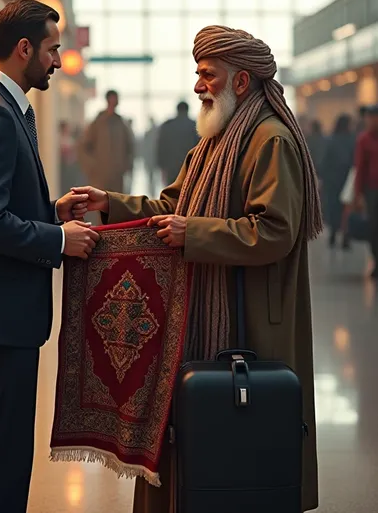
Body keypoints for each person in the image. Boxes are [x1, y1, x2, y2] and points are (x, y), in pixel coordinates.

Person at [71, 25, 322, 512]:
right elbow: (171, 204)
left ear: (242, 82)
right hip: (206, 305)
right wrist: (111, 204)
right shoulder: (213, 141)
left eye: (207, 75)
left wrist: (196, 235)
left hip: (251, 316)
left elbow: (275, 231)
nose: (197, 86)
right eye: (198, 74)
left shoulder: (269, 140)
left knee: (244, 449)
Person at [0, 0, 99, 513]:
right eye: (52, 50)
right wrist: (59, 240)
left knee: (4, 454)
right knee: (4, 460)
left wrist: (50, 212)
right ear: (24, 48)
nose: (57, 60)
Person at [78, 90, 134, 193]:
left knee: (116, 204)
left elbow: (129, 147)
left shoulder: (121, 124)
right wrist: (91, 166)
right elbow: (85, 146)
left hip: (117, 174)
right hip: (100, 174)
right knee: (101, 203)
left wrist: (126, 166)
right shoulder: (98, 123)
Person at [322, 114, 355, 248]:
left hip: (332, 181)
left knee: (333, 207)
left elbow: (325, 161)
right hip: (346, 180)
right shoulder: (352, 140)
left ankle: (334, 234)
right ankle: (346, 236)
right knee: (346, 209)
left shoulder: (331, 140)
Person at [355, 105, 378, 277]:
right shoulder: (364, 139)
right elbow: (360, 168)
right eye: (369, 117)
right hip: (372, 190)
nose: (370, 121)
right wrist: (358, 195)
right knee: (374, 227)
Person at [157, 101, 198, 185]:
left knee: (170, 193)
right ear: (187, 110)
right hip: (189, 167)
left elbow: (161, 146)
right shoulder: (195, 126)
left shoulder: (167, 125)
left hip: (171, 167)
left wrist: (161, 165)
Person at [142, 117, 159, 195]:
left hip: (150, 157)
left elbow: (144, 147)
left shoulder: (148, 133)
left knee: (151, 176)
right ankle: (152, 190)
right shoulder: (157, 132)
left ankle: (152, 190)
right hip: (153, 157)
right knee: (152, 175)